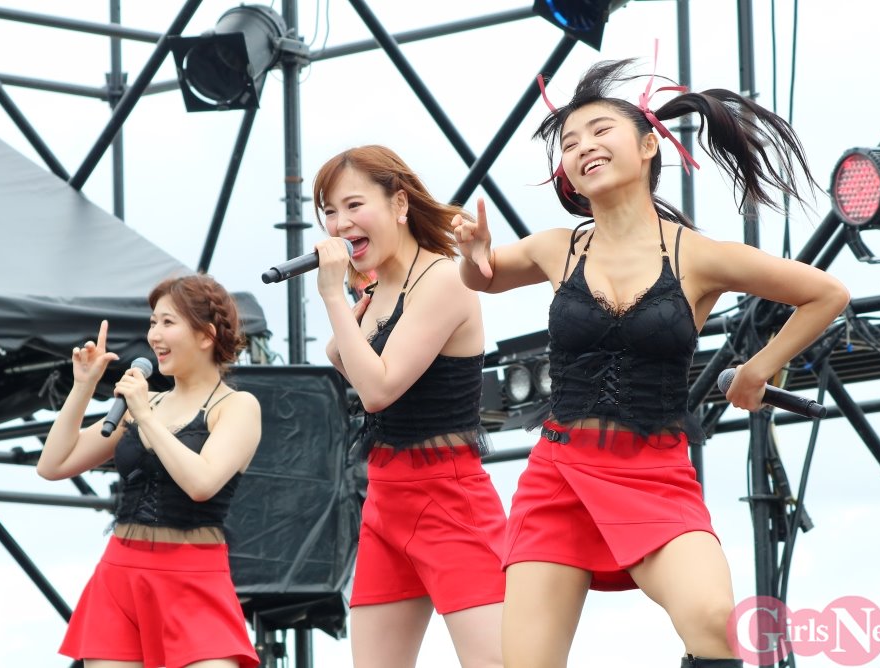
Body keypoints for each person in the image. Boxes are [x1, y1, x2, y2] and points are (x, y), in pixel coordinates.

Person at [453, 57, 850, 668]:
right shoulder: (557, 248)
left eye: (599, 132)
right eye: (569, 143)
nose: (583, 147)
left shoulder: (699, 256)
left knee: (716, 626)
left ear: (647, 146)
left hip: (654, 473)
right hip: (559, 474)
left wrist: (756, 371)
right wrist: (472, 254)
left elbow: (827, 294)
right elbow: (483, 277)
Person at [311, 145, 505, 668]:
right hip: (386, 499)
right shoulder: (380, 287)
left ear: (399, 203)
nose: (339, 223)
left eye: (353, 205)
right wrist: (342, 338)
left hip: (448, 498)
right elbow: (358, 370)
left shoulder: (443, 278)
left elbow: (378, 390)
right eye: (329, 211)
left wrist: (333, 299)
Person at [36, 273, 262, 668]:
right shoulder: (145, 404)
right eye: (153, 322)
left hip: (194, 579)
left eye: (167, 323)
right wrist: (83, 387)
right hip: (119, 576)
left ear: (206, 335)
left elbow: (202, 483)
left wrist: (144, 415)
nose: (154, 335)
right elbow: (53, 464)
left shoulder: (236, 406)